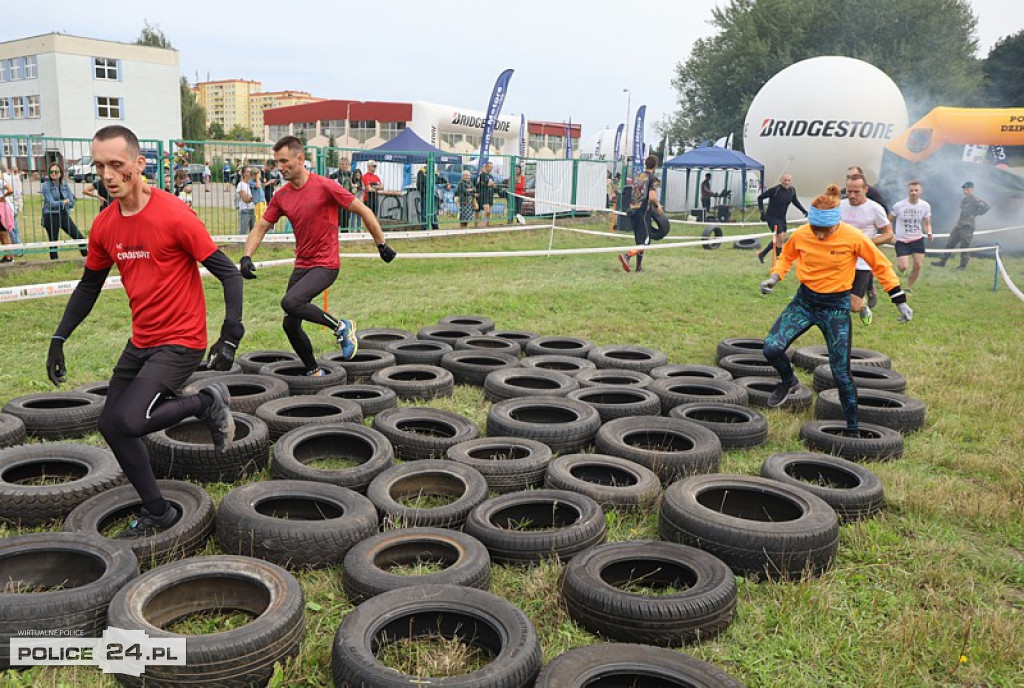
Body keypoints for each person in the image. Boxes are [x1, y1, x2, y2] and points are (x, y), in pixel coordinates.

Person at [45, 124, 244, 537]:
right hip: (142, 341)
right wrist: (59, 337)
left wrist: (230, 334)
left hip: (182, 341)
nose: (108, 175)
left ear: (139, 164)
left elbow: (229, 274)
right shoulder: (104, 226)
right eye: (100, 166)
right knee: (110, 425)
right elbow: (88, 287)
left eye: (117, 165)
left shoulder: (174, 215)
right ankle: (159, 511)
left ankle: (206, 402)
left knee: (131, 420)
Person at [759, 183, 912, 436]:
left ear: (836, 224)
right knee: (771, 348)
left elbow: (881, 266)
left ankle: (853, 428)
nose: (819, 236)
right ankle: (789, 382)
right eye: (816, 230)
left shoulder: (854, 237)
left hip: (836, 308)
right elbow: (787, 255)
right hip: (805, 302)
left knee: (841, 374)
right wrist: (775, 277)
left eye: (825, 231)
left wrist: (900, 300)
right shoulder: (802, 233)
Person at [239, 136, 397, 377]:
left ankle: (341, 326)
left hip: (326, 264)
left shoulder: (326, 186)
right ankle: (313, 371)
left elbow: (363, 209)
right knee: (289, 324)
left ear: (300, 159)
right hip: (302, 264)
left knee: (291, 302)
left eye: (284, 161)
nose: (279, 167)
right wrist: (246, 256)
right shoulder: (281, 196)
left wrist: (381, 244)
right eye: (277, 162)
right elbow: (260, 227)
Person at [840, 174, 892, 325]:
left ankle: (863, 307)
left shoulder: (875, 209)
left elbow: (888, 234)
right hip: (840, 260)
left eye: (856, 192)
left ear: (866, 190)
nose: (852, 195)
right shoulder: (840, 205)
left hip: (862, 263)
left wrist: (869, 243)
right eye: (849, 191)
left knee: (853, 305)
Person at [932, 181, 989, 271]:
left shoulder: (975, 199)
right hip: (959, 224)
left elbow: (986, 207)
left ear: (972, 190)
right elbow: (962, 208)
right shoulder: (965, 200)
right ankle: (942, 261)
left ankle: (962, 265)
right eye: (964, 190)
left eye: (967, 189)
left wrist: (976, 214)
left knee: (964, 245)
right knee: (950, 242)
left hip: (968, 226)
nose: (965, 191)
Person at [618, 154, 661, 274]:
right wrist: (658, 207)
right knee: (646, 241)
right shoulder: (653, 178)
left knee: (639, 241)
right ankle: (627, 256)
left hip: (633, 211)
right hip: (643, 212)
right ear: (655, 165)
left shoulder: (638, 176)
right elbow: (652, 197)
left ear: (646, 164)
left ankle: (638, 267)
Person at [890, 180, 933, 292]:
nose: (914, 193)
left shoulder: (925, 205)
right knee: (903, 267)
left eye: (916, 190)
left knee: (918, 265)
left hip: (917, 239)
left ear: (920, 191)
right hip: (902, 240)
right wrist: (891, 235)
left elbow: (927, 222)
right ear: (908, 191)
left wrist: (929, 231)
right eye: (911, 190)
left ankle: (908, 288)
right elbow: (889, 220)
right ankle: (896, 272)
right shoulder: (899, 205)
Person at [41, 163, 89, 261]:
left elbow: (72, 202)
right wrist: (63, 202)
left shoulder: (64, 185)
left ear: (61, 173)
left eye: (56, 171)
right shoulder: (46, 186)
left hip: (63, 214)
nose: (54, 173)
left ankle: (88, 258)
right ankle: (54, 263)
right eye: (51, 172)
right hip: (51, 215)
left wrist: (63, 203)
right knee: (53, 242)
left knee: (79, 237)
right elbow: (51, 203)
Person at [757, 173, 808, 263]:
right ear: (781, 180)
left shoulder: (792, 190)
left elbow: (795, 201)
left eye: (788, 180)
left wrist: (803, 210)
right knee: (780, 238)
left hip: (782, 218)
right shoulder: (775, 190)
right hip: (772, 217)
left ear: (791, 181)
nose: (786, 182)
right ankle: (780, 260)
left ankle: (762, 254)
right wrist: (762, 212)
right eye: (785, 180)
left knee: (779, 240)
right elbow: (760, 198)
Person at [2, 162, 24, 256]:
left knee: (10, 230)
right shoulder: (16, 177)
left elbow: (11, 191)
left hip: (8, 206)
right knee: (15, 228)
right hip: (14, 204)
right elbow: (19, 191)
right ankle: (20, 250)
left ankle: (18, 251)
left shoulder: (5, 178)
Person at [474, 161, 496, 227]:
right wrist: (490, 184)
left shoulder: (491, 176)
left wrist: (490, 184)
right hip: (483, 195)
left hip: (490, 195)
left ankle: (486, 225)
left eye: (492, 167)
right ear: (485, 167)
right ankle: (479, 225)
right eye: (489, 167)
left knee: (488, 212)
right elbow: (488, 183)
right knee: (484, 211)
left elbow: (493, 185)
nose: (491, 168)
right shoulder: (482, 175)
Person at [334, 157, 354, 229]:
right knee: (338, 220)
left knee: (346, 220)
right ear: (339, 165)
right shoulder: (335, 174)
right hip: (338, 201)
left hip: (348, 199)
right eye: (342, 164)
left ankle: (345, 234)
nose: (344, 166)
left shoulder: (350, 174)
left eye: (346, 164)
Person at [236, 166, 255, 234]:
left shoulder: (252, 184)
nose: (250, 173)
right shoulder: (241, 185)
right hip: (245, 211)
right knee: (243, 232)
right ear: (244, 174)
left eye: (251, 172)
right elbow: (246, 199)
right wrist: (256, 197)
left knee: (254, 232)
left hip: (253, 209)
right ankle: (240, 244)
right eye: (248, 172)